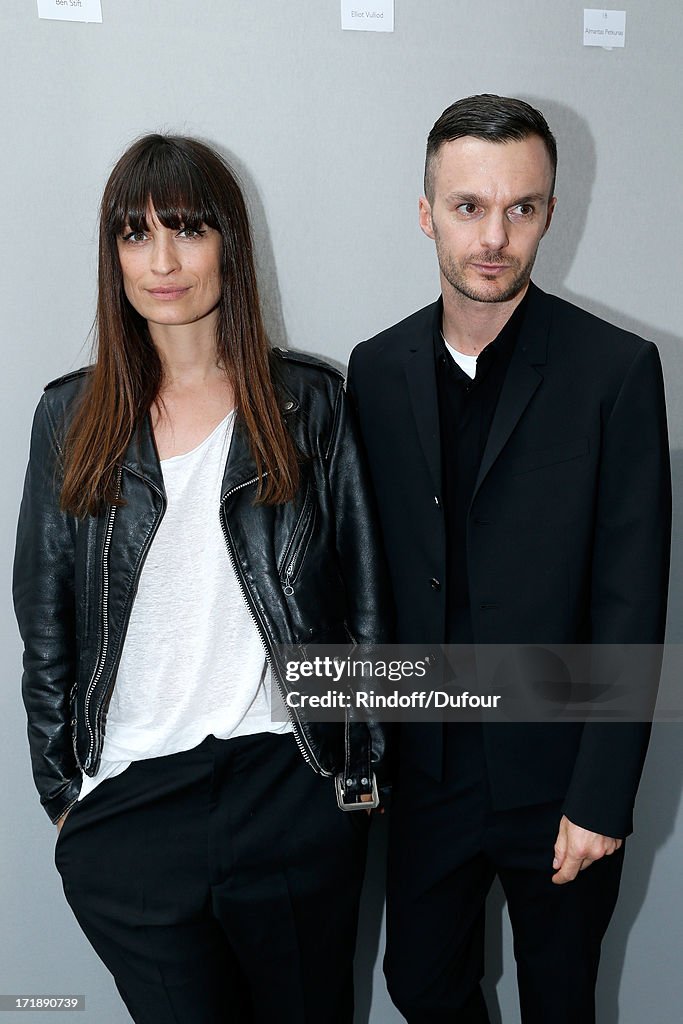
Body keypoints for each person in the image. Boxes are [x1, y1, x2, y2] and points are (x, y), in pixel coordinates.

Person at [13, 133, 391, 1024]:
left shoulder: (308, 403)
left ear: (230, 243)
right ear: (113, 257)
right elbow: (46, 626)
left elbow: (367, 602)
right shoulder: (69, 416)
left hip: (284, 783)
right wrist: (64, 798)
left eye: (187, 229)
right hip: (133, 803)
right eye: (135, 235)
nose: (165, 261)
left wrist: (356, 778)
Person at [347, 94, 671, 1023]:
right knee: (418, 984)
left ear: (548, 215)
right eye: (467, 206)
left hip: (560, 777)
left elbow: (629, 598)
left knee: (560, 1002)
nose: (494, 236)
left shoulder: (616, 371)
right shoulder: (373, 369)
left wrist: (602, 796)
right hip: (424, 771)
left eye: (520, 208)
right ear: (425, 213)